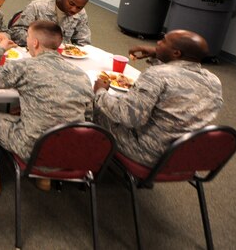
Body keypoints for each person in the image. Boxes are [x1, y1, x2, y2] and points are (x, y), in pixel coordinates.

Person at [0, 20, 92, 194]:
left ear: (35, 42)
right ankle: (44, 179)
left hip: (32, 149)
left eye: (28, 36)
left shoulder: (26, 67)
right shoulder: (82, 75)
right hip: (70, 150)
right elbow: (87, 115)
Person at [92, 30, 223, 166]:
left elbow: (129, 117)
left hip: (147, 152)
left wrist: (100, 91)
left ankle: (84, 160)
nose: (158, 43)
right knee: (119, 98)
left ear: (176, 53)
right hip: (183, 154)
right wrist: (157, 53)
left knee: (93, 105)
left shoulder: (157, 75)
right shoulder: (214, 81)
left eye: (164, 41)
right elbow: (175, 76)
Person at [10, 0, 92, 47]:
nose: (74, 9)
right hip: (34, 51)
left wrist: (74, 52)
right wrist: (39, 44)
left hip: (62, 56)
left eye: (79, 7)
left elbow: (83, 42)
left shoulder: (81, 14)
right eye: (71, 4)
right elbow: (16, 32)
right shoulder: (37, 7)